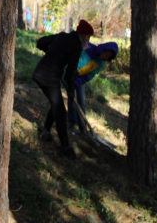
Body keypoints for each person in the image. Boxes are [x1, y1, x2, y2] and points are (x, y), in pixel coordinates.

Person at [32, 19, 94, 159]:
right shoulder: (76, 47)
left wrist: (51, 53)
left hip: (42, 73)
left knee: (56, 105)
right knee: (60, 111)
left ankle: (46, 131)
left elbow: (40, 43)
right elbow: (71, 72)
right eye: (88, 37)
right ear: (84, 36)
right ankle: (65, 147)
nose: (88, 40)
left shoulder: (62, 36)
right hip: (48, 78)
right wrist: (71, 91)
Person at [67, 42, 118, 133]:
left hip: (81, 78)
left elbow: (90, 75)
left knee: (81, 101)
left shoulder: (101, 63)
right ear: (103, 50)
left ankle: (82, 125)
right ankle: (72, 124)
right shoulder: (89, 49)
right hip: (70, 74)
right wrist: (71, 78)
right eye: (106, 55)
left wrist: (78, 82)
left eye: (108, 58)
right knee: (72, 98)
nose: (106, 58)